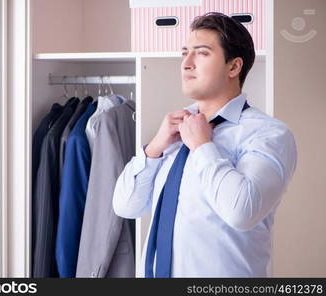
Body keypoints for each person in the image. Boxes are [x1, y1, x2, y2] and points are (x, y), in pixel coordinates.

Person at [112, 12, 297, 277]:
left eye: (201, 53)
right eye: (184, 53)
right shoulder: (175, 132)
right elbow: (126, 206)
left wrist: (202, 147)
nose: (187, 63)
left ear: (234, 67)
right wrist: (153, 149)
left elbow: (242, 211)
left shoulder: (269, 134)